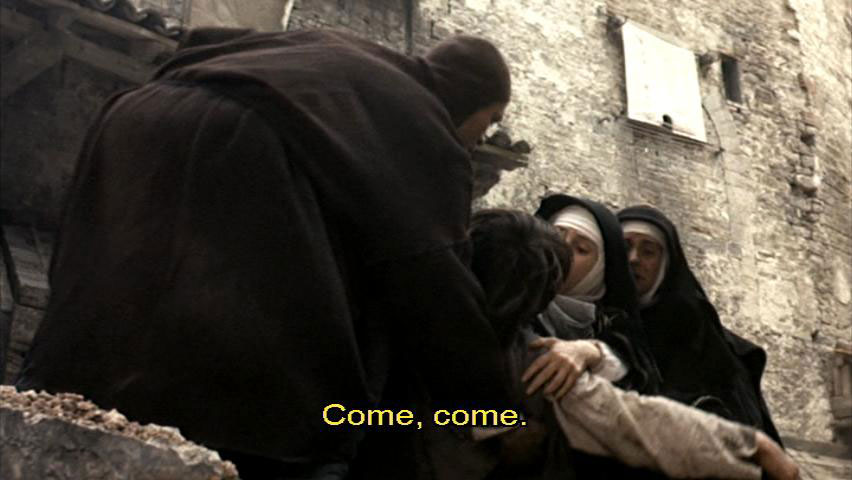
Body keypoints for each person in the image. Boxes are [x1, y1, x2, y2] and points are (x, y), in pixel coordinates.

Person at [17, 28, 515, 478]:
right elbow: (435, 282)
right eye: (491, 121)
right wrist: (490, 411)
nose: (482, 140)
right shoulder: (425, 126)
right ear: (469, 96)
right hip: (240, 140)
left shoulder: (339, 56)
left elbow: (201, 42)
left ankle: (64, 392)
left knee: (114, 304)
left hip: (142, 113)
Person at [442, 209, 799, 480]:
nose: (633, 261)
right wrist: (483, 425)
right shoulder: (439, 332)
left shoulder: (539, 358)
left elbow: (629, 418)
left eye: (582, 248)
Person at [617, 204, 783, 443]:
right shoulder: (594, 315)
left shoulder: (692, 326)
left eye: (648, 252)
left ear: (665, 264)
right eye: (625, 247)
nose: (634, 259)